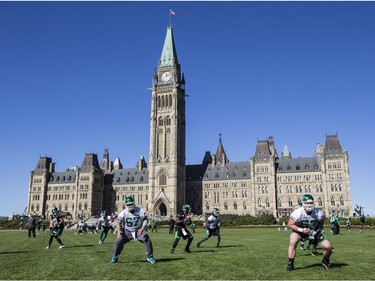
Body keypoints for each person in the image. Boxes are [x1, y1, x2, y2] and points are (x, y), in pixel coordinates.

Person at [287, 194, 332, 271]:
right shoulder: (298, 212)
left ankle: (325, 261)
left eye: (311, 203)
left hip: (313, 230)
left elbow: (321, 222)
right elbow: (290, 224)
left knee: (328, 247)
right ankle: (290, 263)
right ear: (303, 203)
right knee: (293, 241)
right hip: (300, 231)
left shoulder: (319, 213)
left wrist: (318, 230)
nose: (309, 205)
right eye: (307, 203)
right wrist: (301, 230)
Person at [109, 196, 156, 264]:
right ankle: (114, 258)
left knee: (147, 239)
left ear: (133, 203)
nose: (130, 206)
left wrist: (142, 228)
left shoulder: (140, 210)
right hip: (127, 231)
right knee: (118, 241)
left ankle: (150, 257)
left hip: (138, 230)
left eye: (131, 204)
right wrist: (119, 231)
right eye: (128, 205)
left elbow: (145, 219)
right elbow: (118, 222)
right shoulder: (124, 212)